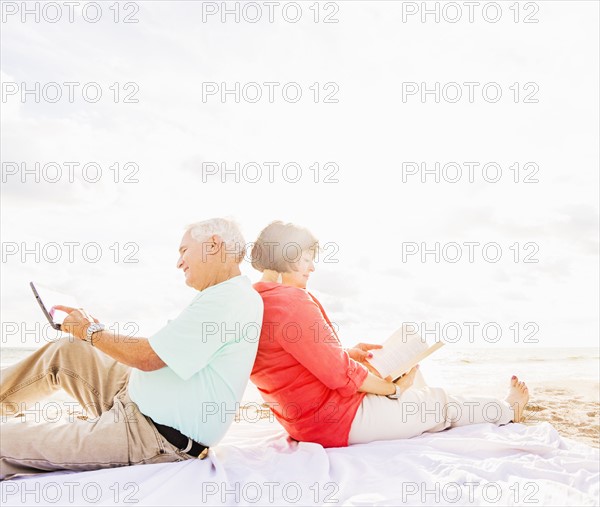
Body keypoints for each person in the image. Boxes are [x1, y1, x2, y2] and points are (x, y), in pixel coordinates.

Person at [0, 218, 263, 479]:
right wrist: (93, 334)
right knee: (68, 349)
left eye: (184, 251)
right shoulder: (225, 294)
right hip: (131, 394)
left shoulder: (229, 299)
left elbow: (148, 357)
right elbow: (158, 352)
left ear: (214, 245)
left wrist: (90, 332)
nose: (179, 262)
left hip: (149, 434)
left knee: (5, 442)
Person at [249, 221, 529, 448]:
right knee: (439, 402)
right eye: (307, 259)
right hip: (335, 421)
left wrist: (344, 353)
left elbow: (287, 358)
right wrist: (395, 390)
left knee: (410, 378)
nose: (312, 267)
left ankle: (413, 412)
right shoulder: (292, 301)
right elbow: (338, 375)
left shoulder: (255, 301)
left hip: (303, 422)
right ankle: (507, 410)